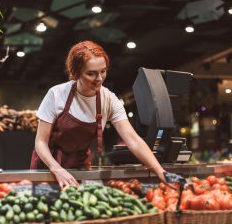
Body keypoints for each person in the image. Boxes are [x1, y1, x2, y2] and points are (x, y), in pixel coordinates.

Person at [30, 40, 167, 188]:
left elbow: (133, 140)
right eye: (91, 74)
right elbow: (40, 142)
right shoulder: (56, 94)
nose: (99, 79)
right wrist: (57, 169)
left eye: (103, 71)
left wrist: (160, 171)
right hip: (48, 168)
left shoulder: (108, 99)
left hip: (80, 168)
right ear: (75, 73)